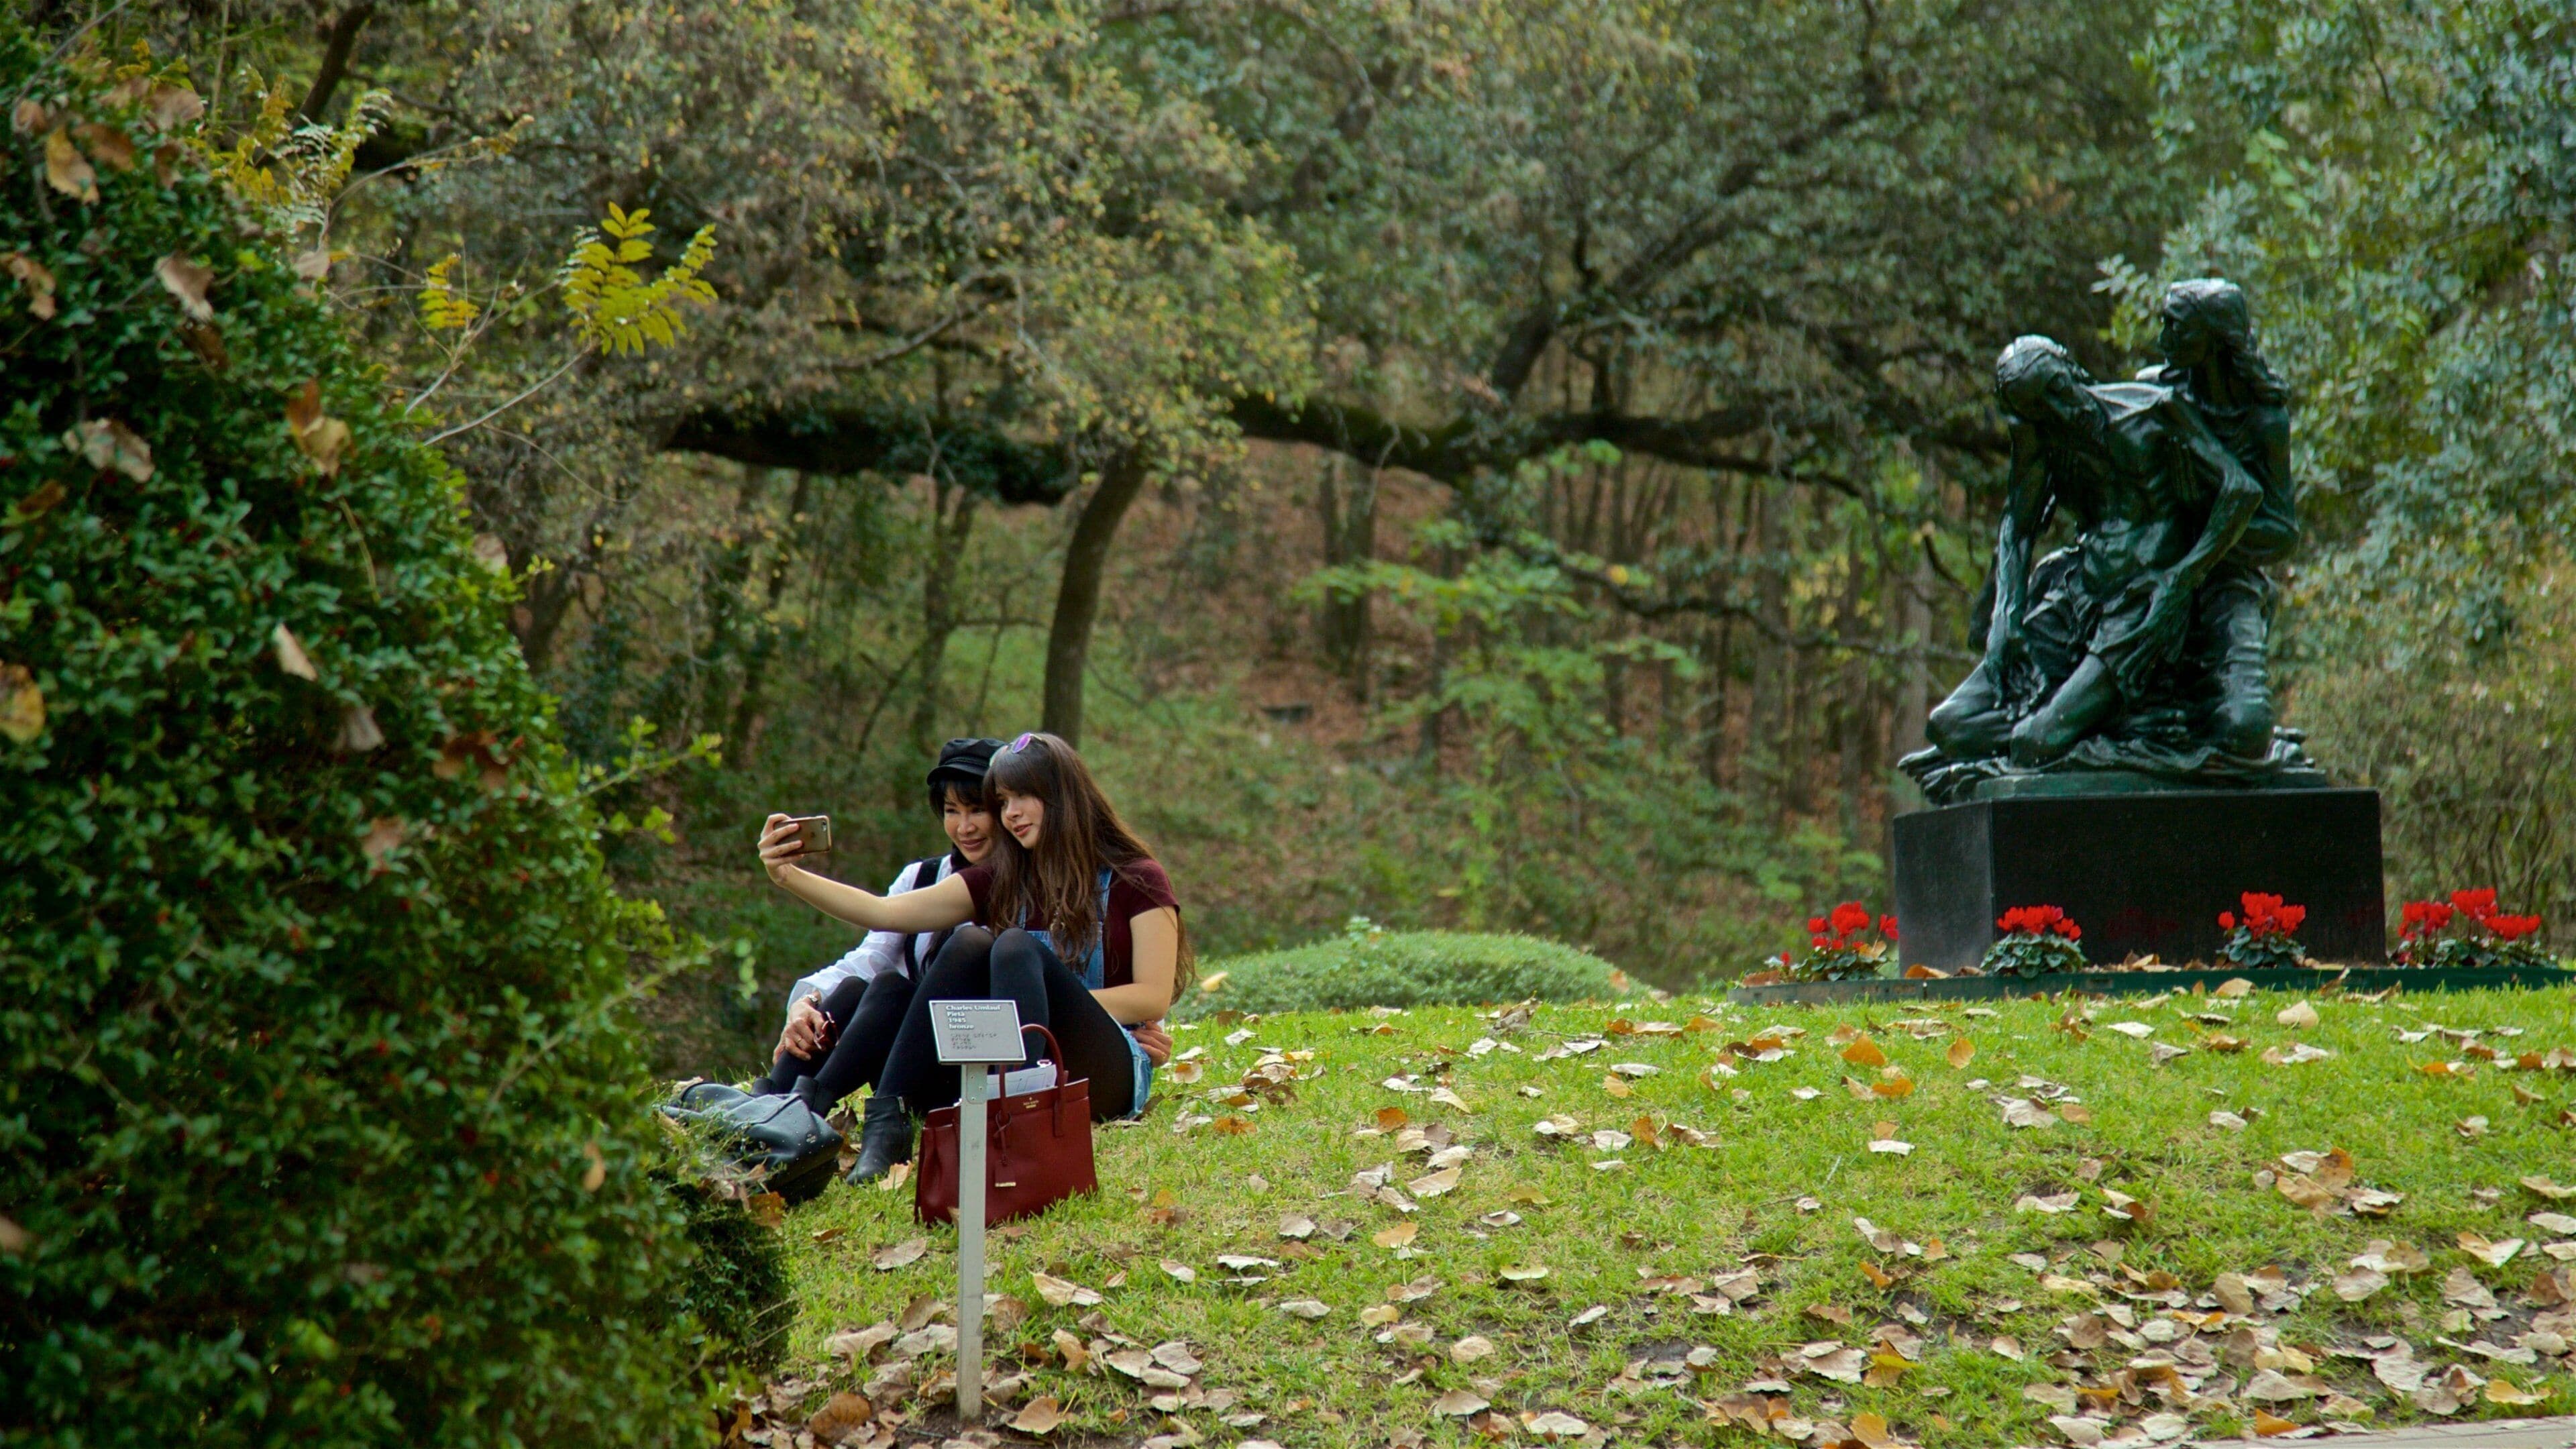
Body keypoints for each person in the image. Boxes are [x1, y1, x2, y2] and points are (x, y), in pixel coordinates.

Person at [756, 731, 1184, 1124]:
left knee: (1016, 947)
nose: (1011, 814)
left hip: (1103, 1071)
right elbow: (882, 913)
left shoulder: (1137, 878)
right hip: (1001, 1064)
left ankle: (1017, 1114)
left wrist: (1046, 1004)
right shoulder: (1003, 878)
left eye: (1022, 798)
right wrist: (789, 877)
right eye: (1002, 802)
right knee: (963, 945)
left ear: (1062, 796)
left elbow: (1152, 996)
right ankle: (851, 1118)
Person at [1922, 335, 2265, 766]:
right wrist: (2005, 616)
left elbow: (2241, 491)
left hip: (2139, 605)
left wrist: (2181, 580)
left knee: (2033, 743)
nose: (2062, 411)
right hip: (2078, 594)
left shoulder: (2150, 411)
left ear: (2072, 370)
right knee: (1948, 728)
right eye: (2041, 408)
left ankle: (2084, 717)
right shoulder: (2042, 442)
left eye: (2059, 391)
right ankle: (2100, 717)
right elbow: (2017, 526)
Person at [748, 737, 998, 1183]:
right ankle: (770, 1105)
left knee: (891, 987)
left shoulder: (1023, 888)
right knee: (864, 988)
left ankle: (808, 1113)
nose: (965, 826)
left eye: (976, 809)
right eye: (951, 811)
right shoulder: (921, 877)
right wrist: (804, 1003)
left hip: (969, 1067)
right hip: (903, 1066)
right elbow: (865, 959)